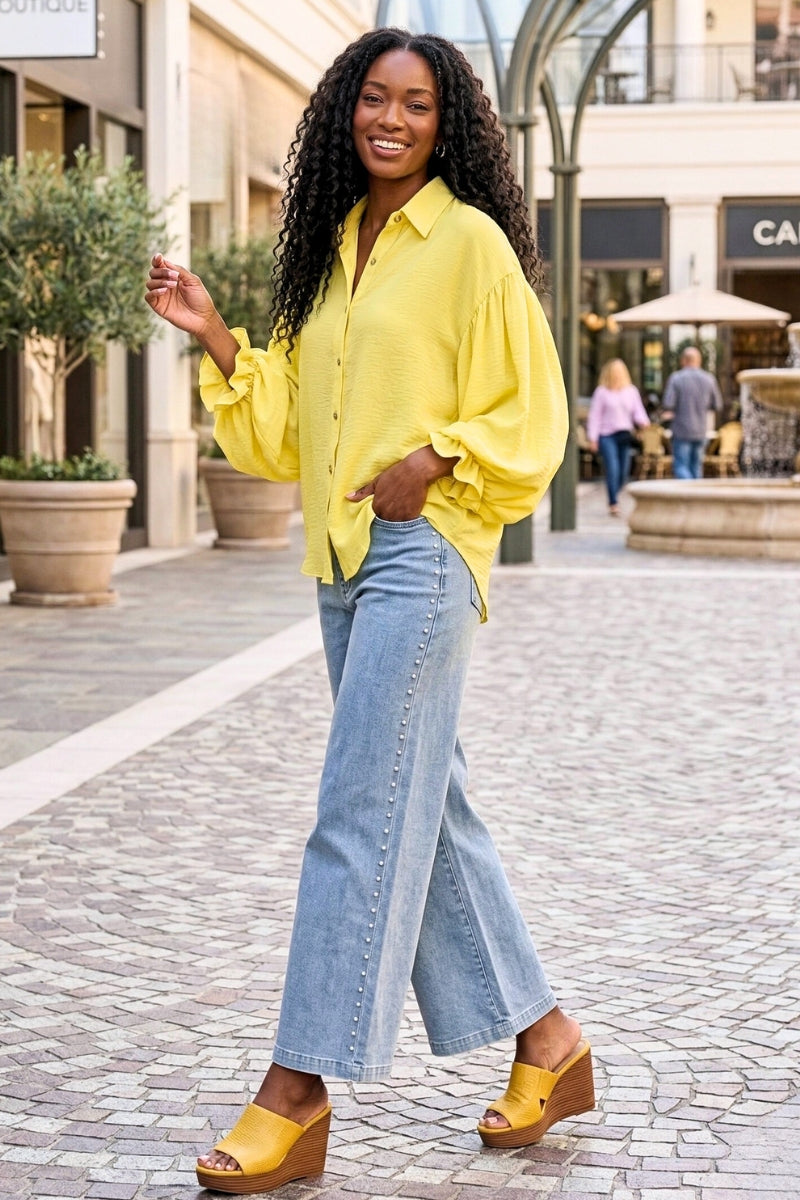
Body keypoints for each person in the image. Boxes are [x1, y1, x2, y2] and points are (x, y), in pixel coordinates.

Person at [146, 27, 594, 1196]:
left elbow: (530, 411)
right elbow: (282, 427)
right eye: (374, 100)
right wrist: (214, 334)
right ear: (346, 110)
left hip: (425, 553)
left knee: (358, 806)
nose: (391, 120)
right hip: (341, 560)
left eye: (417, 105)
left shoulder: (471, 246)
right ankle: (551, 1042)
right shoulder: (334, 250)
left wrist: (438, 458)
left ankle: (296, 1092)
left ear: (448, 126)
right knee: (421, 803)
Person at [586, 358, 650, 514]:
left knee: (623, 472)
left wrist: (644, 423)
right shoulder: (601, 392)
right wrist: (592, 438)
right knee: (612, 468)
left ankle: (615, 491)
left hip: (624, 434)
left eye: (620, 372)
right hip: (607, 436)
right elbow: (595, 416)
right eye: (614, 372)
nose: (617, 375)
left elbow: (638, 412)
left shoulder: (631, 391)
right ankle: (613, 502)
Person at [661, 346, 723, 479]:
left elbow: (668, 403)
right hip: (701, 430)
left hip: (681, 430)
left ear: (683, 360)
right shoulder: (709, 379)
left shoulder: (676, 378)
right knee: (696, 466)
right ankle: (696, 496)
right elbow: (717, 404)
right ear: (699, 360)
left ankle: (688, 494)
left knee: (681, 466)